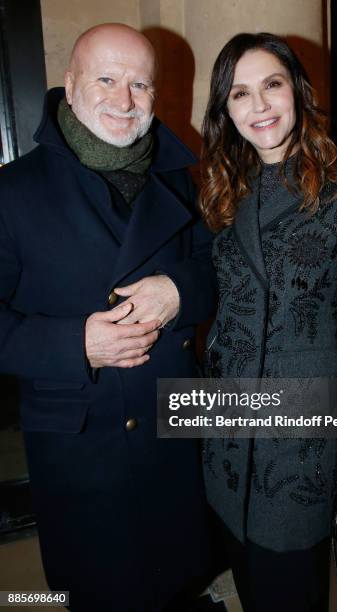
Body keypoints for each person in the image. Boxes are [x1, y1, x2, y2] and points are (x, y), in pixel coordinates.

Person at [0, 23, 217, 612]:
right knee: (101, 589)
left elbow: (212, 270)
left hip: (170, 424)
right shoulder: (12, 191)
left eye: (141, 85)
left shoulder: (179, 177)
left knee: (173, 581)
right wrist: (76, 343)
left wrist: (179, 289)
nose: (125, 102)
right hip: (80, 443)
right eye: (107, 79)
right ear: (69, 86)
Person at [200, 32, 337, 612]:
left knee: (290, 592)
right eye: (239, 94)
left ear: (298, 92)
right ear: (224, 111)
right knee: (249, 587)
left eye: (271, 86)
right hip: (226, 436)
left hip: (299, 444)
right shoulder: (224, 191)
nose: (258, 107)